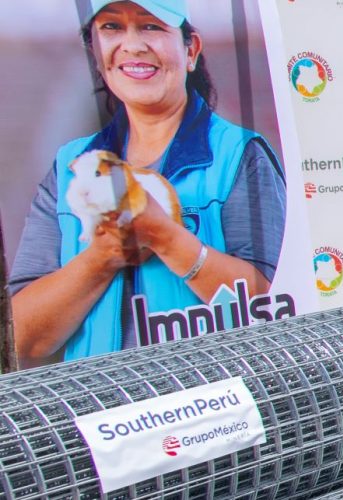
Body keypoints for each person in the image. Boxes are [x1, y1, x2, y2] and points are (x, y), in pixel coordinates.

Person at [8, 0, 285, 369]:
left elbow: (273, 306)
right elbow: (23, 338)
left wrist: (167, 239)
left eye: (152, 26)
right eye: (111, 27)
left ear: (191, 50)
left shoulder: (239, 155)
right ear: (96, 55)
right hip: (99, 400)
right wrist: (103, 256)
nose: (133, 45)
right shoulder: (70, 167)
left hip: (209, 399)